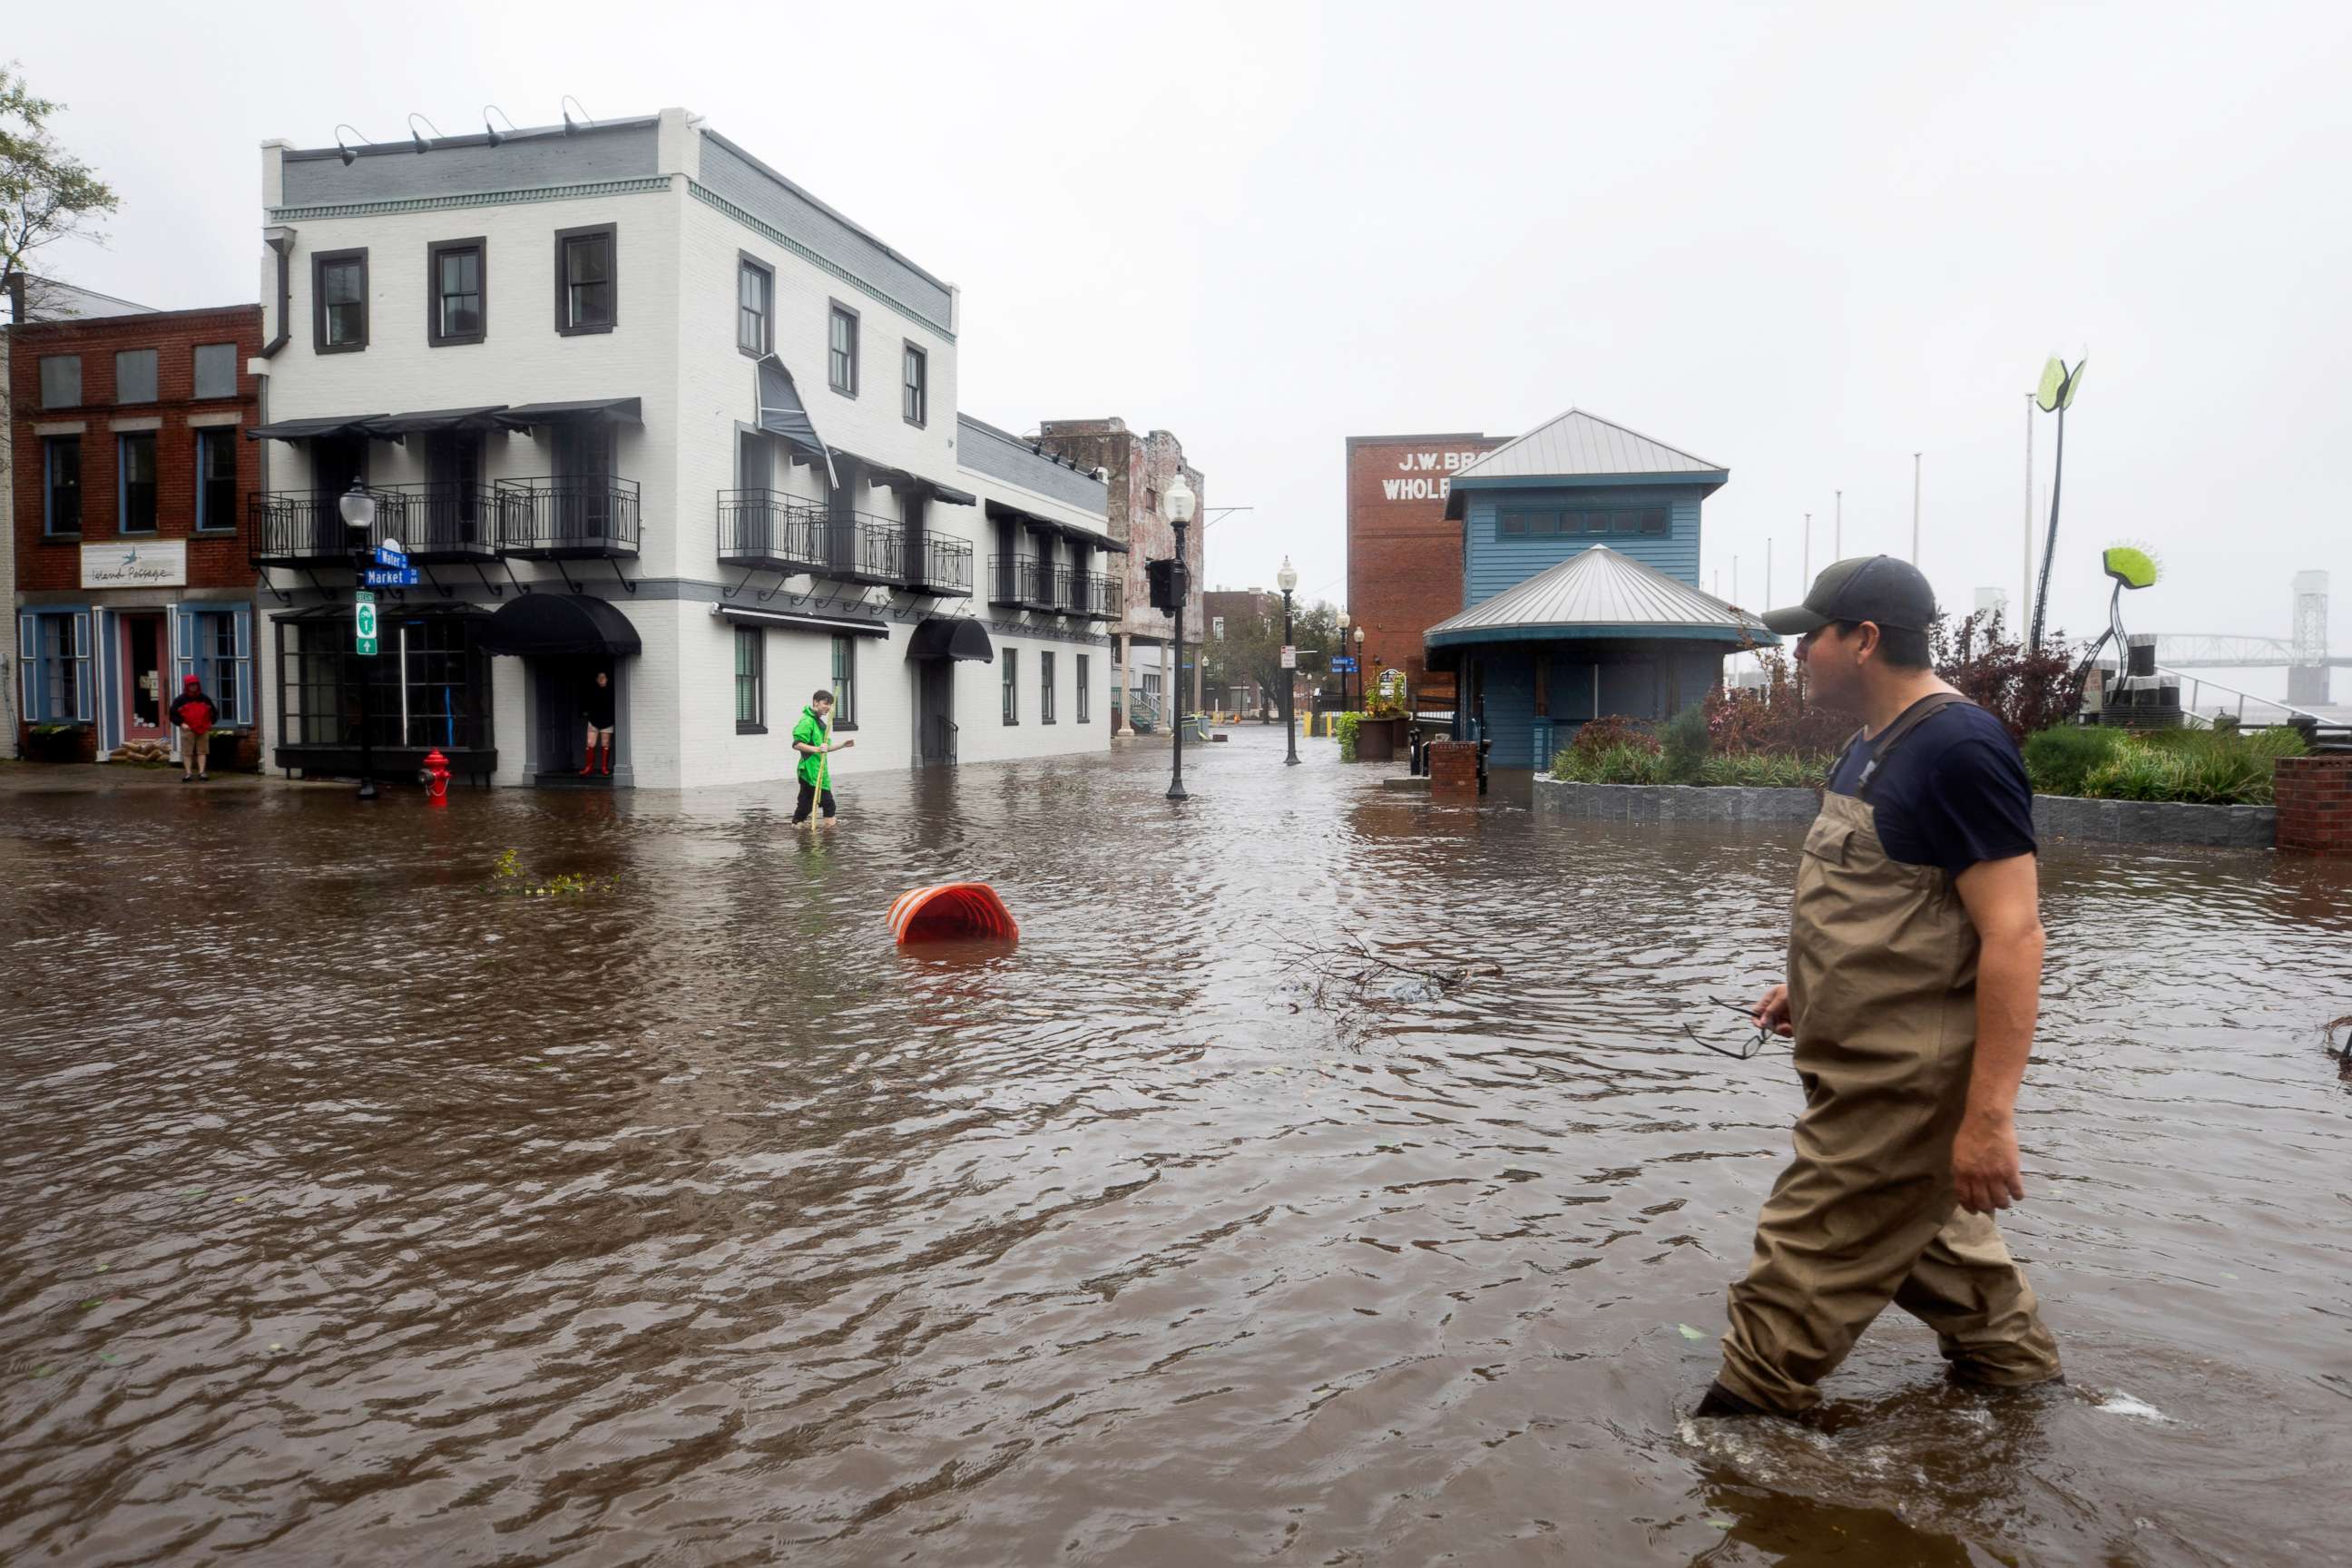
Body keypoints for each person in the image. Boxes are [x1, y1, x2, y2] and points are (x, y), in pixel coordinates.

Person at [1696, 555, 2063, 1421]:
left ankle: (1724, 1458)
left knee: (1800, 1265)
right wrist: (1807, 986)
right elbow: (1888, 905)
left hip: (1902, 1088)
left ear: (1862, 640)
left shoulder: (1958, 748)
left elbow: (2014, 935)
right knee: (1952, 1265)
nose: (1796, 654)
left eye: (1808, 636)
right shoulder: (1872, 746)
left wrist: (1988, 1118)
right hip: (1858, 1065)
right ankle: (2032, 1413)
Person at [791, 689, 854, 824]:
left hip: (818, 771)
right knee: (828, 804)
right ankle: (829, 835)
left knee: (805, 806)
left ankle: (797, 827)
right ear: (815, 702)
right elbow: (796, 744)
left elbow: (824, 749)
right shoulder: (807, 721)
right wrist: (816, 749)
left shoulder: (819, 724)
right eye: (825, 703)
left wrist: (843, 745)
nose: (828, 707)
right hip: (810, 771)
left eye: (830, 705)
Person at [170, 674, 217, 783]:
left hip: (203, 729)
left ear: (198, 685)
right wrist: (181, 724)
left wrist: (210, 724)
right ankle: (188, 774)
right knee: (187, 752)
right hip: (188, 729)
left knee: (202, 751)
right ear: (187, 686)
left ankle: (202, 773)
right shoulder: (180, 700)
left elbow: (214, 713)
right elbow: (172, 715)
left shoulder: (205, 699)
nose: (193, 687)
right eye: (191, 685)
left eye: (195, 684)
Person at [579, 670, 616, 778]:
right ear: (596, 679)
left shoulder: (612, 691)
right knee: (590, 743)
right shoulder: (591, 691)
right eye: (599, 677)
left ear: (607, 679)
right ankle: (589, 767)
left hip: (607, 721)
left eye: (603, 677)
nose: (601, 679)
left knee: (605, 743)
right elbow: (585, 703)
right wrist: (584, 713)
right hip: (593, 721)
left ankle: (604, 768)